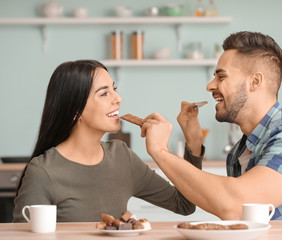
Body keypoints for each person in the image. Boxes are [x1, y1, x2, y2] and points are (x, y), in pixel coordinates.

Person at [141, 31, 282, 220]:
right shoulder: (238, 153)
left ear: (255, 82)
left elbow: (235, 205)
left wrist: (160, 151)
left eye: (221, 76)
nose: (210, 85)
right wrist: (194, 143)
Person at [13, 60, 203, 222]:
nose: (118, 98)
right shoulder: (43, 173)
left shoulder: (122, 157)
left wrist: (193, 141)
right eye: (104, 93)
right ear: (74, 111)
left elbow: (185, 203)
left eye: (114, 89)